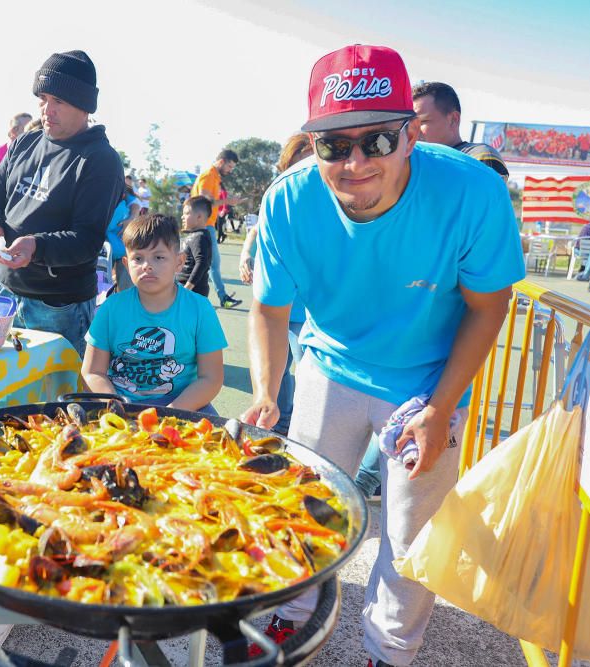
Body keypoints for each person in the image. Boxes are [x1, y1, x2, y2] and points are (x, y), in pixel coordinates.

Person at [243, 45, 524, 666]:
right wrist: (266, 390)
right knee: (304, 505)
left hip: (425, 378)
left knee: (409, 531)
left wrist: (441, 406)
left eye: (378, 139)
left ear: (412, 133)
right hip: (328, 364)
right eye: (334, 145)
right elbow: (268, 307)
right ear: (311, 144)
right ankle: (287, 616)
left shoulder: (472, 193)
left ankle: (389, 651)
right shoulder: (287, 201)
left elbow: (488, 306)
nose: (356, 162)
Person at [0, 50, 124, 357]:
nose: (47, 109)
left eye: (59, 101)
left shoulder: (100, 160)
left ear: (84, 106)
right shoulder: (25, 142)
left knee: (55, 401)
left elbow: (87, 239)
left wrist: (36, 247)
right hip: (3, 294)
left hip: (58, 307)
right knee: (2, 397)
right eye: (43, 99)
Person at [83, 213, 226, 413]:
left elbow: (210, 378)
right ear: (125, 264)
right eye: (138, 258)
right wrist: (118, 409)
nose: (147, 266)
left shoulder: (200, 309)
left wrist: (169, 413)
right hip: (120, 403)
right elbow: (92, 372)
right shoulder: (110, 308)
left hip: (184, 405)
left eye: (159, 257)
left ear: (179, 262)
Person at [240, 132, 314, 436]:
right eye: (298, 162)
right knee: (275, 381)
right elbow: (257, 229)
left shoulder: (335, 201)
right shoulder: (281, 195)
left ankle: (300, 431)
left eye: (311, 159)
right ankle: (277, 434)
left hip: (310, 313)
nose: (305, 169)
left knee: (311, 380)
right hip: (279, 304)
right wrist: (246, 252)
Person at [412, 81, 509, 180]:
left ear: (454, 119)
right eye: (409, 124)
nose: (412, 130)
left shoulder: (478, 156)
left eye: (422, 121)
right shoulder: (413, 161)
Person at [191, 149, 245, 308]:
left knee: (204, 264)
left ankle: (220, 297)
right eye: (229, 166)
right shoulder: (208, 176)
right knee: (212, 263)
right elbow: (204, 203)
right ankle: (223, 298)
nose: (230, 170)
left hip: (207, 224)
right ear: (221, 161)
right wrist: (228, 201)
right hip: (203, 225)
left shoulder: (214, 176)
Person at [105, 184, 141, 291]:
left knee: (126, 288)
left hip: (123, 246)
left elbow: (135, 203)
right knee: (103, 287)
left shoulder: (120, 187)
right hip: (108, 250)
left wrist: (131, 219)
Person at [177, 196, 213, 297]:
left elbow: (202, 263)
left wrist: (187, 288)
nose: (182, 217)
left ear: (199, 217)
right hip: (183, 288)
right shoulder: (194, 236)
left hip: (193, 291)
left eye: (187, 213)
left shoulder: (199, 237)